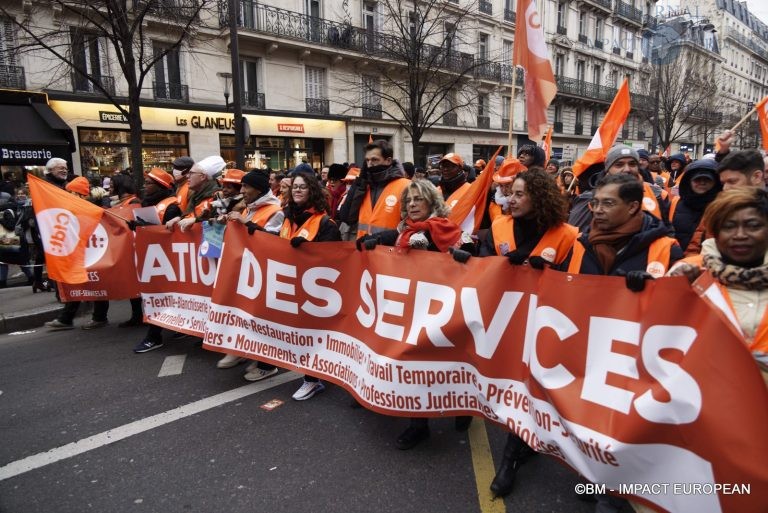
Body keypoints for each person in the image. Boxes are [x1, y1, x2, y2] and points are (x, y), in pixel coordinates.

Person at [479, 168, 577, 497]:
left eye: (520, 194)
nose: (512, 199)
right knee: (516, 385)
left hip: (546, 326)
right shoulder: (499, 225)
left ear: (540, 196)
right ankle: (519, 449)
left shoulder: (567, 235)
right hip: (507, 322)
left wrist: (553, 271)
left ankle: (510, 459)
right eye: (511, 194)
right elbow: (484, 268)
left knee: (531, 388)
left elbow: (578, 283)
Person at [356, 179, 475, 450]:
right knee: (414, 362)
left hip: (444, 312)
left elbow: (471, 251)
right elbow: (389, 240)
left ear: (432, 202)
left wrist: (464, 254)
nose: (412, 204)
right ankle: (418, 424)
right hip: (413, 312)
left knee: (448, 362)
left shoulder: (446, 228)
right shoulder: (403, 231)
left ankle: (462, 406)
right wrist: (371, 241)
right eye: (408, 200)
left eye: (418, 199)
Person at [668, 187, 768, 385]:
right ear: (715, 232)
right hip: (707, 403)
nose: (740, 234)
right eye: (729, 227)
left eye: (753, 225)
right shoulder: (686, 272)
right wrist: (666, 293)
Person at [215, 169, 285, 379]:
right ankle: (241, 350)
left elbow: (273, 240)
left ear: (258, 188)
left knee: (262, 317)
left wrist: (244, 222)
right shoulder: (250, 207)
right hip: (248, 269)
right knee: (243, 311)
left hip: (265, 272)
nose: (242, 190)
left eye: (246, 186)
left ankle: (267, 364)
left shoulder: (275, 210)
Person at [279, 171, 342, 400]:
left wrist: (309, 249)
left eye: (302, 187)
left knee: (312, 334)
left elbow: (334, 260)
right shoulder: (287, 217)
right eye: (294, 186)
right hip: (291, 285)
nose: (297, 190)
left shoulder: (325, 223)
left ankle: (312, 380)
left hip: (316, 292)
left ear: (312, 191)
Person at [562, 173, 682, 279]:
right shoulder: (579, 243)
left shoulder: (666, 250)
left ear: (632, 207)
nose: (597, 210)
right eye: (595, 203)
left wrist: (653, 289)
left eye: (608, 203)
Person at [43, 179, 111, 331]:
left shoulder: (92, 208)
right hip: (81, 253)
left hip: (93, 252)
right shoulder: (76, 208)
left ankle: (98, 318)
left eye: (70, 192)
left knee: (97, 285)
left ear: (78, 193)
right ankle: (66, 318)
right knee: (79, 284)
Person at [122, 168, 181, 329]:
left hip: (167, 257)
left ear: (159, 185)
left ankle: (159, 329)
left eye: (148, 183)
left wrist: (146, 227)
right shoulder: (147, 203)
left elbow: (172, 232)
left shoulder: (171, 205)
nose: (144, 186)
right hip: (152, 254)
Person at [338, 139, 410, 238]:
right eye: (367, 160)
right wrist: (360, 182)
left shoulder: (406, 186)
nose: (369, 164)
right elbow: (346, 217)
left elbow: (411, 226)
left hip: (391, 251)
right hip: (363, 248)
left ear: (388, 161)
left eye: (374, 160)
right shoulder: (364, 186)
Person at [669, 159, 722, 251]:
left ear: (715, 182)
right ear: (689, 181)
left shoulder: (721, 208)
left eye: (707, 179)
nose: (702, 182)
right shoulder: (675, 203)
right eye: (697, 179)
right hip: (675, 259)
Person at [166, 156, 224, 233]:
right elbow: (191, 214)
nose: (187, 176)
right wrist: (179, 218)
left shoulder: (218, 196)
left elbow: (221, 223)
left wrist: (196, 221)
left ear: (203, 177)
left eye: (191, 173)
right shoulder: (196, 194)